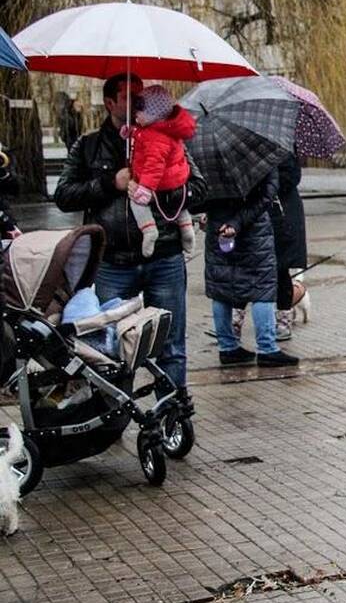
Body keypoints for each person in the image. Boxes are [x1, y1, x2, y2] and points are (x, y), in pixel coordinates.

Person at [55, 73, 205, 410]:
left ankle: (172, 413)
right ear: (109, 102)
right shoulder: (89, 145)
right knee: (108, 344)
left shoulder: (167, 137)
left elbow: (199, 187)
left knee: (171, 343)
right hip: (112, 262)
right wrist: (112, 181)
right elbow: (64, 195)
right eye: (128, 97)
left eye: (141, 96)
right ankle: (111, 413)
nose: (137, 102)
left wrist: (166, 188)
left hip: (164, 256)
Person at [204, 169, 299, 367]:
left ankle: (227, 346)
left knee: (221, 287)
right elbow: (266, 195)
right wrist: (237, 222)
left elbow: (198, 195)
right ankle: (267, 348)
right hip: (254, 231)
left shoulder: (204, 151)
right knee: (262, 289)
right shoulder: (259, 153)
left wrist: (214, 212)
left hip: (218, 227)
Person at [120, 85, 197, 258]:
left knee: (137, 201)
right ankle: (186, 228)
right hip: (176, 180)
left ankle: (149, 230)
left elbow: (153, 166)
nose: (135, 114)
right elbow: (142, 135)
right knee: (179, 206)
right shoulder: (162, 129)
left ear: (153, 114)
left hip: (161, 181)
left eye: (139, 111)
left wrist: (145, 189)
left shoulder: (156, 138)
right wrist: (130, 132)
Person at [269, 154, 308, 341]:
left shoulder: (283, 144)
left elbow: (292, 176)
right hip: (264, 211)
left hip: (283, 215)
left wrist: (268, 180)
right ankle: (233, 324)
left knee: (281, 269)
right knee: (248, 271)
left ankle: (283, 321)